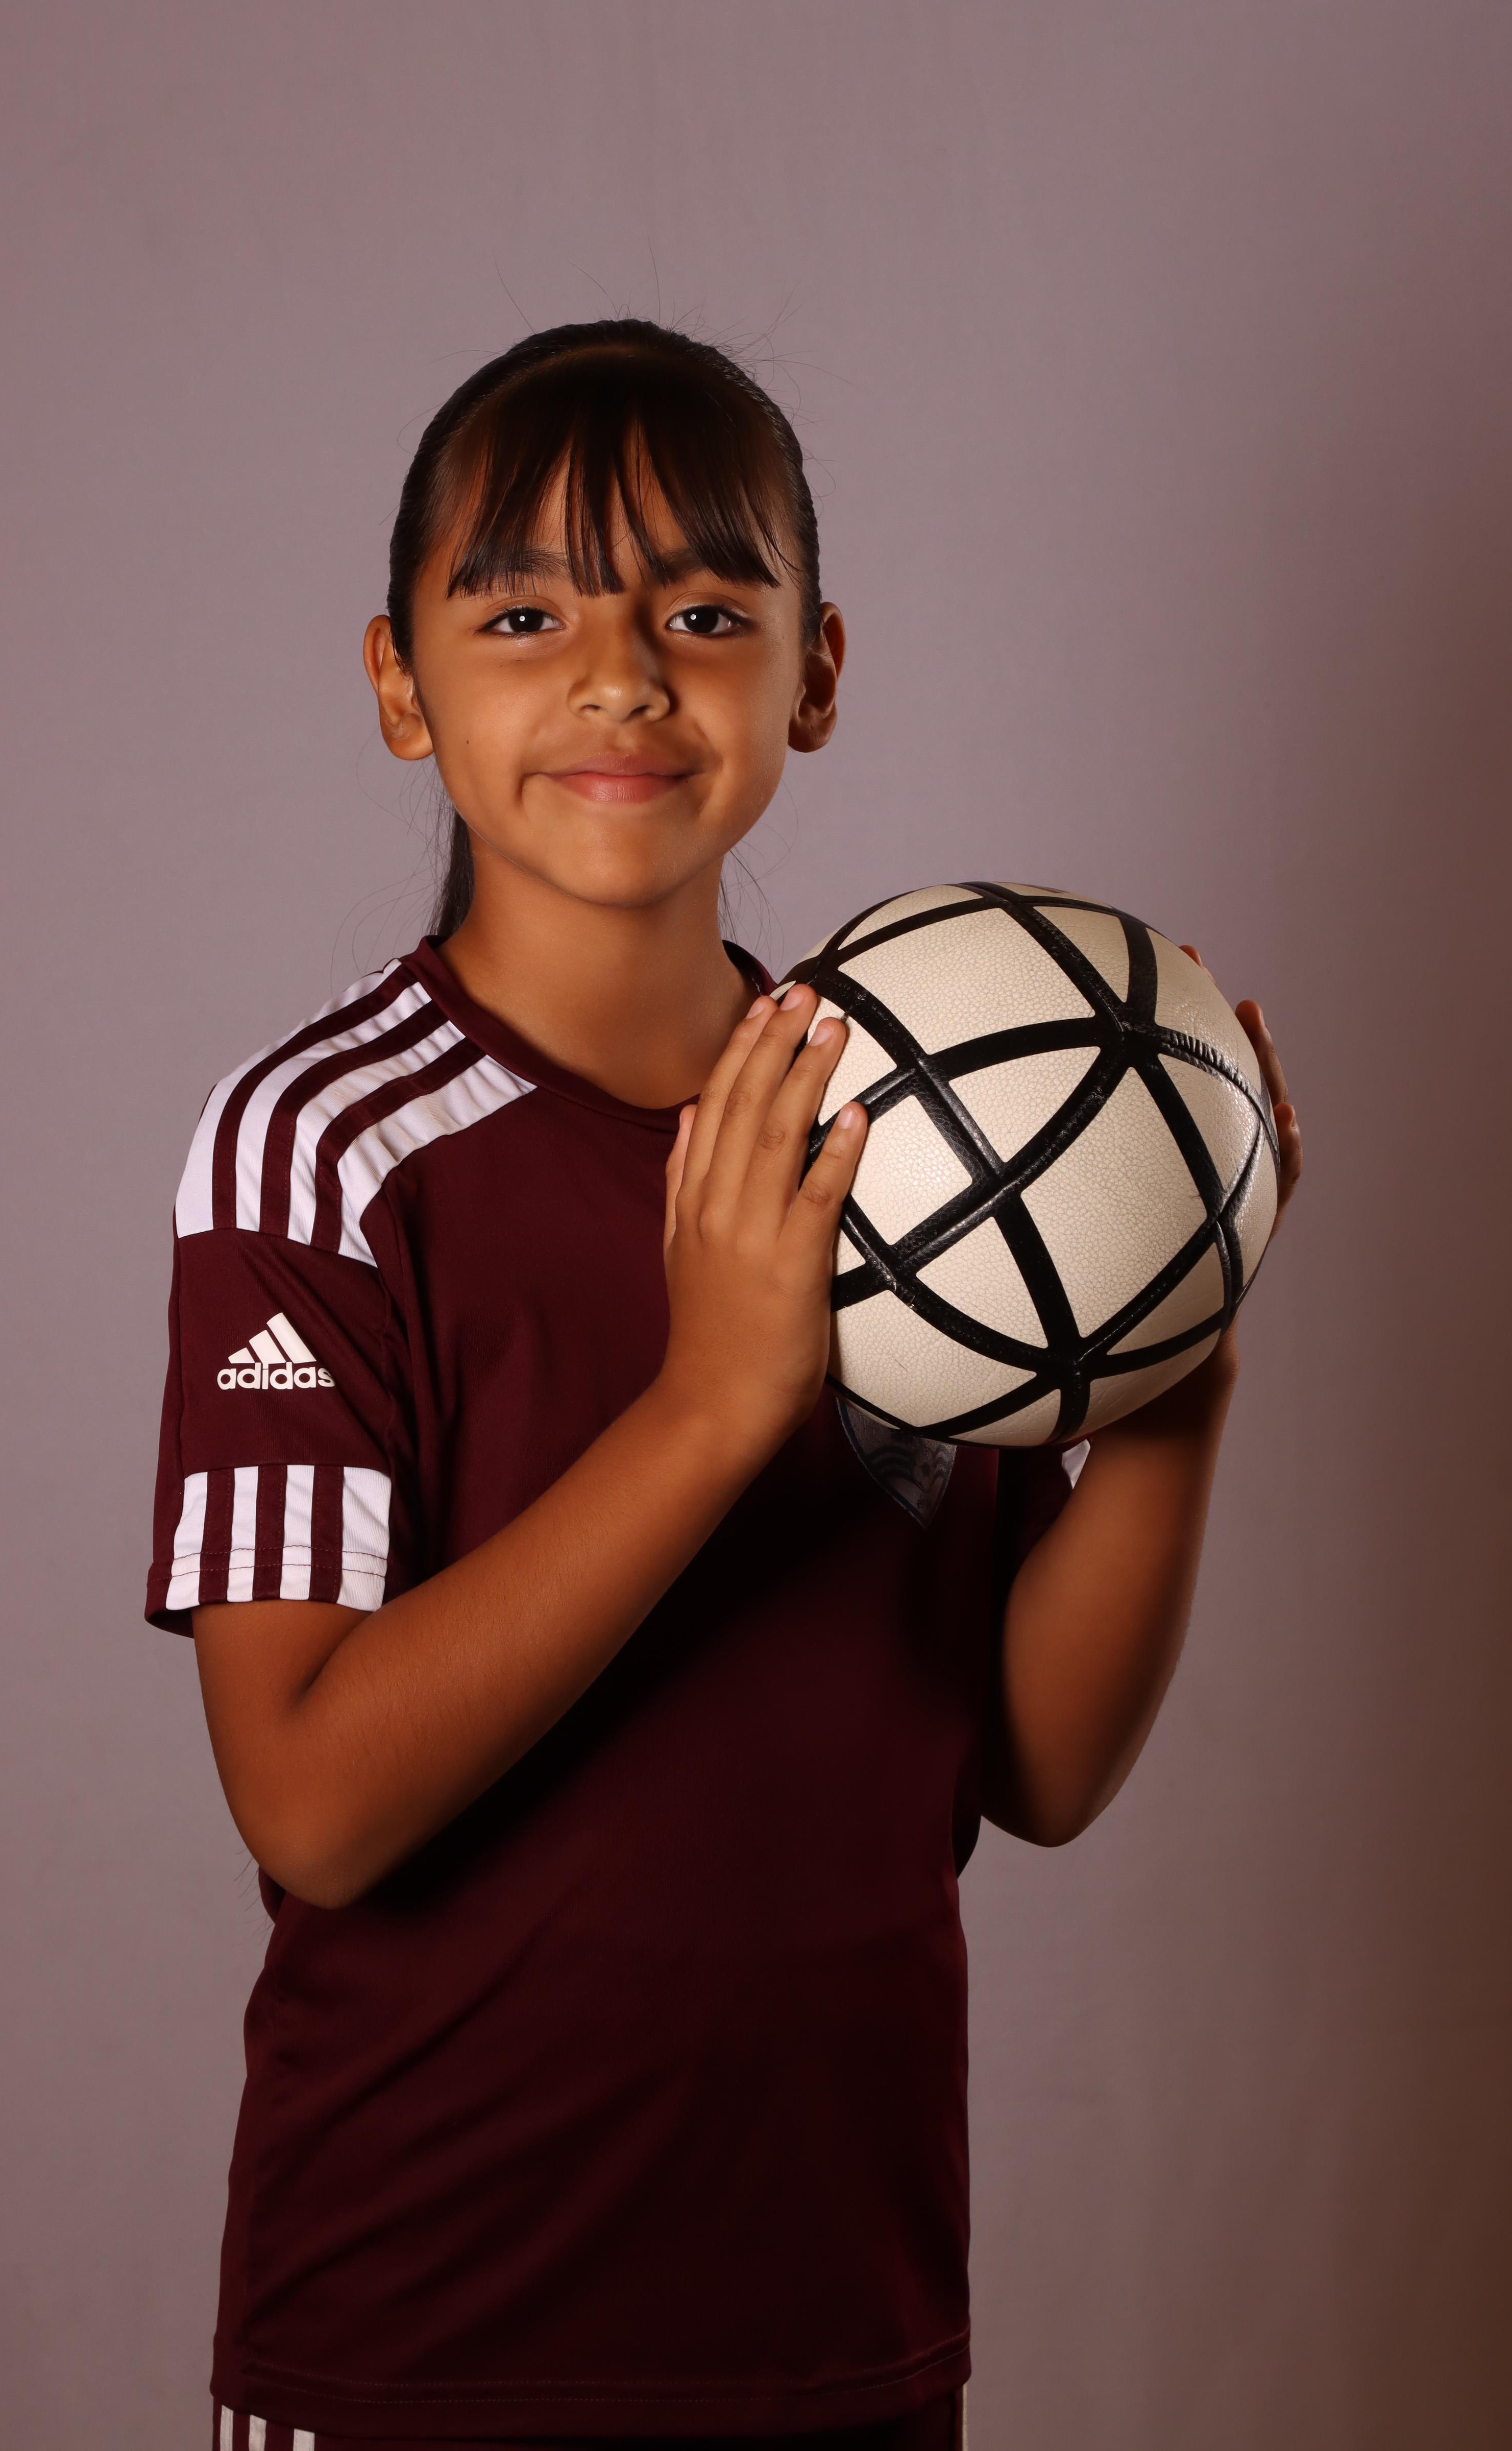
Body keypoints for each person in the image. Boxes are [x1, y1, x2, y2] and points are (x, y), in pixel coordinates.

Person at [146, 319, 1302, 2451]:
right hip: (424, 2342)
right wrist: (708, 1410)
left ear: (815, 672)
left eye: (701, 611)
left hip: (841, 2326)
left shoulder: (925, 1121)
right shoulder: (320, 1145)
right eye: (523, 615)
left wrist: (1172, 1342)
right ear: (400, 684)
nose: (618, 677)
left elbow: (1036, 1763)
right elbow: (310, 1800)